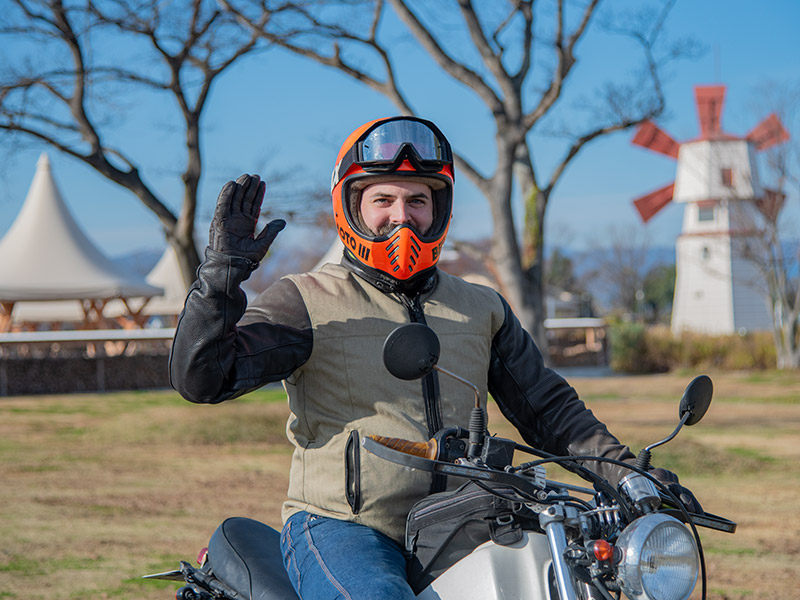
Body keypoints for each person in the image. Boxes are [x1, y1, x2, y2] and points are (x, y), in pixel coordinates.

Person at [169, 116, 700, 599]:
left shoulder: (480, 306)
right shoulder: (307, 298)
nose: (402, 217)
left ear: (438, 209)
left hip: (464, 520)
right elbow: (204, 378)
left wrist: (632, 477)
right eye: (383, 200)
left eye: (417, 200)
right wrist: (220, 279)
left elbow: (549, 409)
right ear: (351, 207)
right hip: (344, 526)